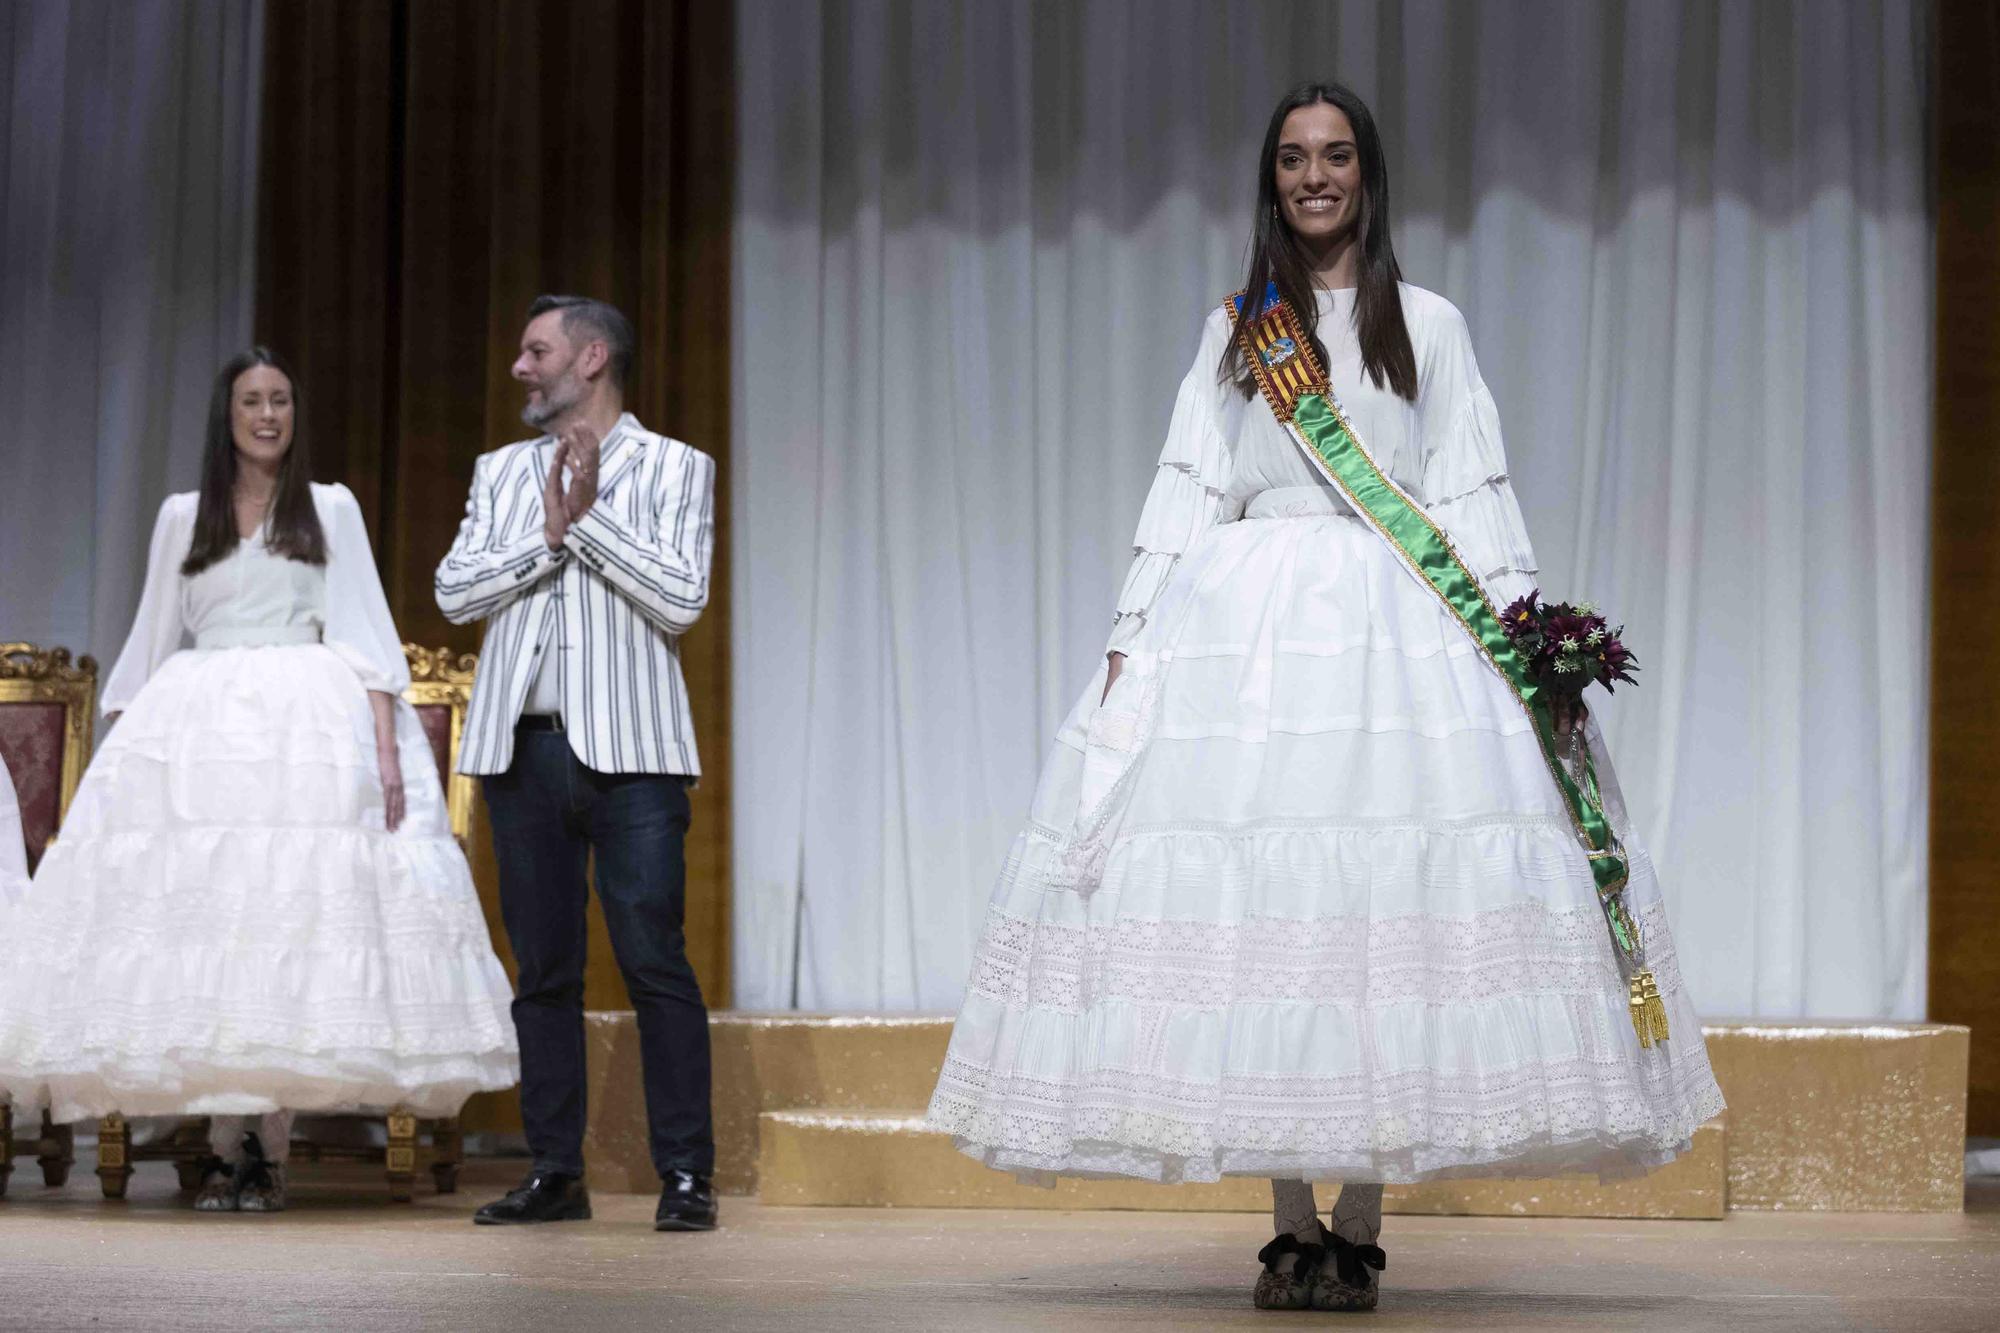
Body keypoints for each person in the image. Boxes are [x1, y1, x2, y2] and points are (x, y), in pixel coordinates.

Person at [927, 82, 1725, 1313]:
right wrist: (1132, 637)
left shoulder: (1431, 324)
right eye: (1294, 158)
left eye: (1335, 155)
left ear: (1366, 172)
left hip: (1397, 634)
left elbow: (1469, 488)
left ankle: (1357, 1224)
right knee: (1268, 918)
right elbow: (1187, 483)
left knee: (1379, 915)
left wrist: (1526, 645)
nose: (1315, 176)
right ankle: (1289, 1222)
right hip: (1243, 635)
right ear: (1271, 177)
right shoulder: (1237, 329)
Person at [0, 348, 518, 1213]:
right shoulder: (181, 514)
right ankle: (220, 1142)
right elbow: (153, 635)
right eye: (251, 400)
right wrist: (120, 772)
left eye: (280, 400)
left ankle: (265, 1152)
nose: (267, 414)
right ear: (227, 414)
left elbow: (364, 630)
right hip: (199, 730)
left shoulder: (330, 508)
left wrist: (389, 753)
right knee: (211, 929)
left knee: (286, 924)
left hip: (305, 729)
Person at [437, 295, 719, 1232]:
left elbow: (681, 597)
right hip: (522, 751)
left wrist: (587, 523)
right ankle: (555, 1171)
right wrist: (547, 536)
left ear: (592, 356)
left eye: (536, 350)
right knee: (543, 974)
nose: (519, 367)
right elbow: (453, 588)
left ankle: (686, 1173)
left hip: (634, 757)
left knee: (655, 961)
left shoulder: (676, 466)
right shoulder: (498, 473)